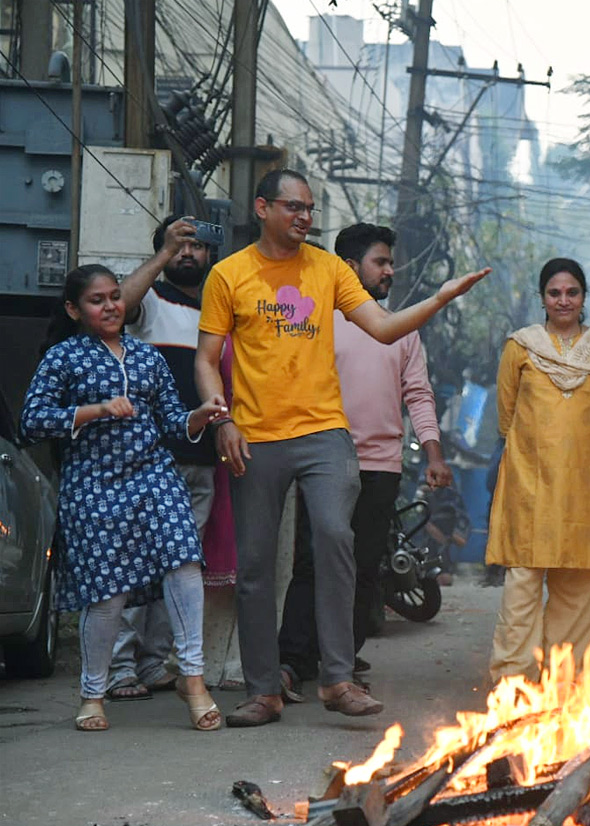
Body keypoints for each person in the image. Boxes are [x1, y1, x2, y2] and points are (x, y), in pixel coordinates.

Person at [194, 168, 489, 727]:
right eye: (292, 206)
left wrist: (440, 299)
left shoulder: (328, 269)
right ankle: (263, 690)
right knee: (255, 566)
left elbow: (382, 327)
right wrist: (221, 420)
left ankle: (336, 679)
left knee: (334, 536)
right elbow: (207, 360)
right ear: (262, 208)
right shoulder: (228, 276)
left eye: (309, 208)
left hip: (325, 433)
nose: (304, 216)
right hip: (255, 434)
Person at [20, 265, 227, 732]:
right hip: (94, 484)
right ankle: (93, 693)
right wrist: (95, 410)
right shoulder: (63, 358)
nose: (112, 306)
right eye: (98, 300)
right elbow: (30, 422)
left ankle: (192, 679)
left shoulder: (146, 357)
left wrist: (200, 415)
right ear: (74, 309)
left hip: (154, 476)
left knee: (184, 561)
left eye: (116, 296)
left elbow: (173, 420)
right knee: (107, 593)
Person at [277, 223, 452, 695]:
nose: (390, 270)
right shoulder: (313, 321)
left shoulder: (403, 331)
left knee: (364, 565)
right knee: (315, 562)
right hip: (322, 460)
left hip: (382, 466)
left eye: (390, 262)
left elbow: (419, 394)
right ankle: (292, 662)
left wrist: (434, 454)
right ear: (350, 268)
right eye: (381, 262)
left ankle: (343, 663)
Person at [98, 215, 228, 701]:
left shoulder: (219, 310)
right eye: (179, 245)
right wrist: (160, 256)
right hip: (145, 458)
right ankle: (119, 669)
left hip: (199, 459)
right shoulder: (148, 299)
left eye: (196, 246)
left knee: (177, 568)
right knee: (133, 564)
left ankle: (154, 665)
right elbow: (119, 305)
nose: (188, 254)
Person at [486, 258, 590, 683]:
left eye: (572, 292)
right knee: (522, 585)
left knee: (579, 586)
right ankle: (514, 686)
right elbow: (506, 416)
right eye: (554, 293)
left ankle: (563, 689)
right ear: (542, 298)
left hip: (585, 484)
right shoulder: (521, 347)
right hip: (529, 482)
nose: (563, 300)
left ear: (583, 297)